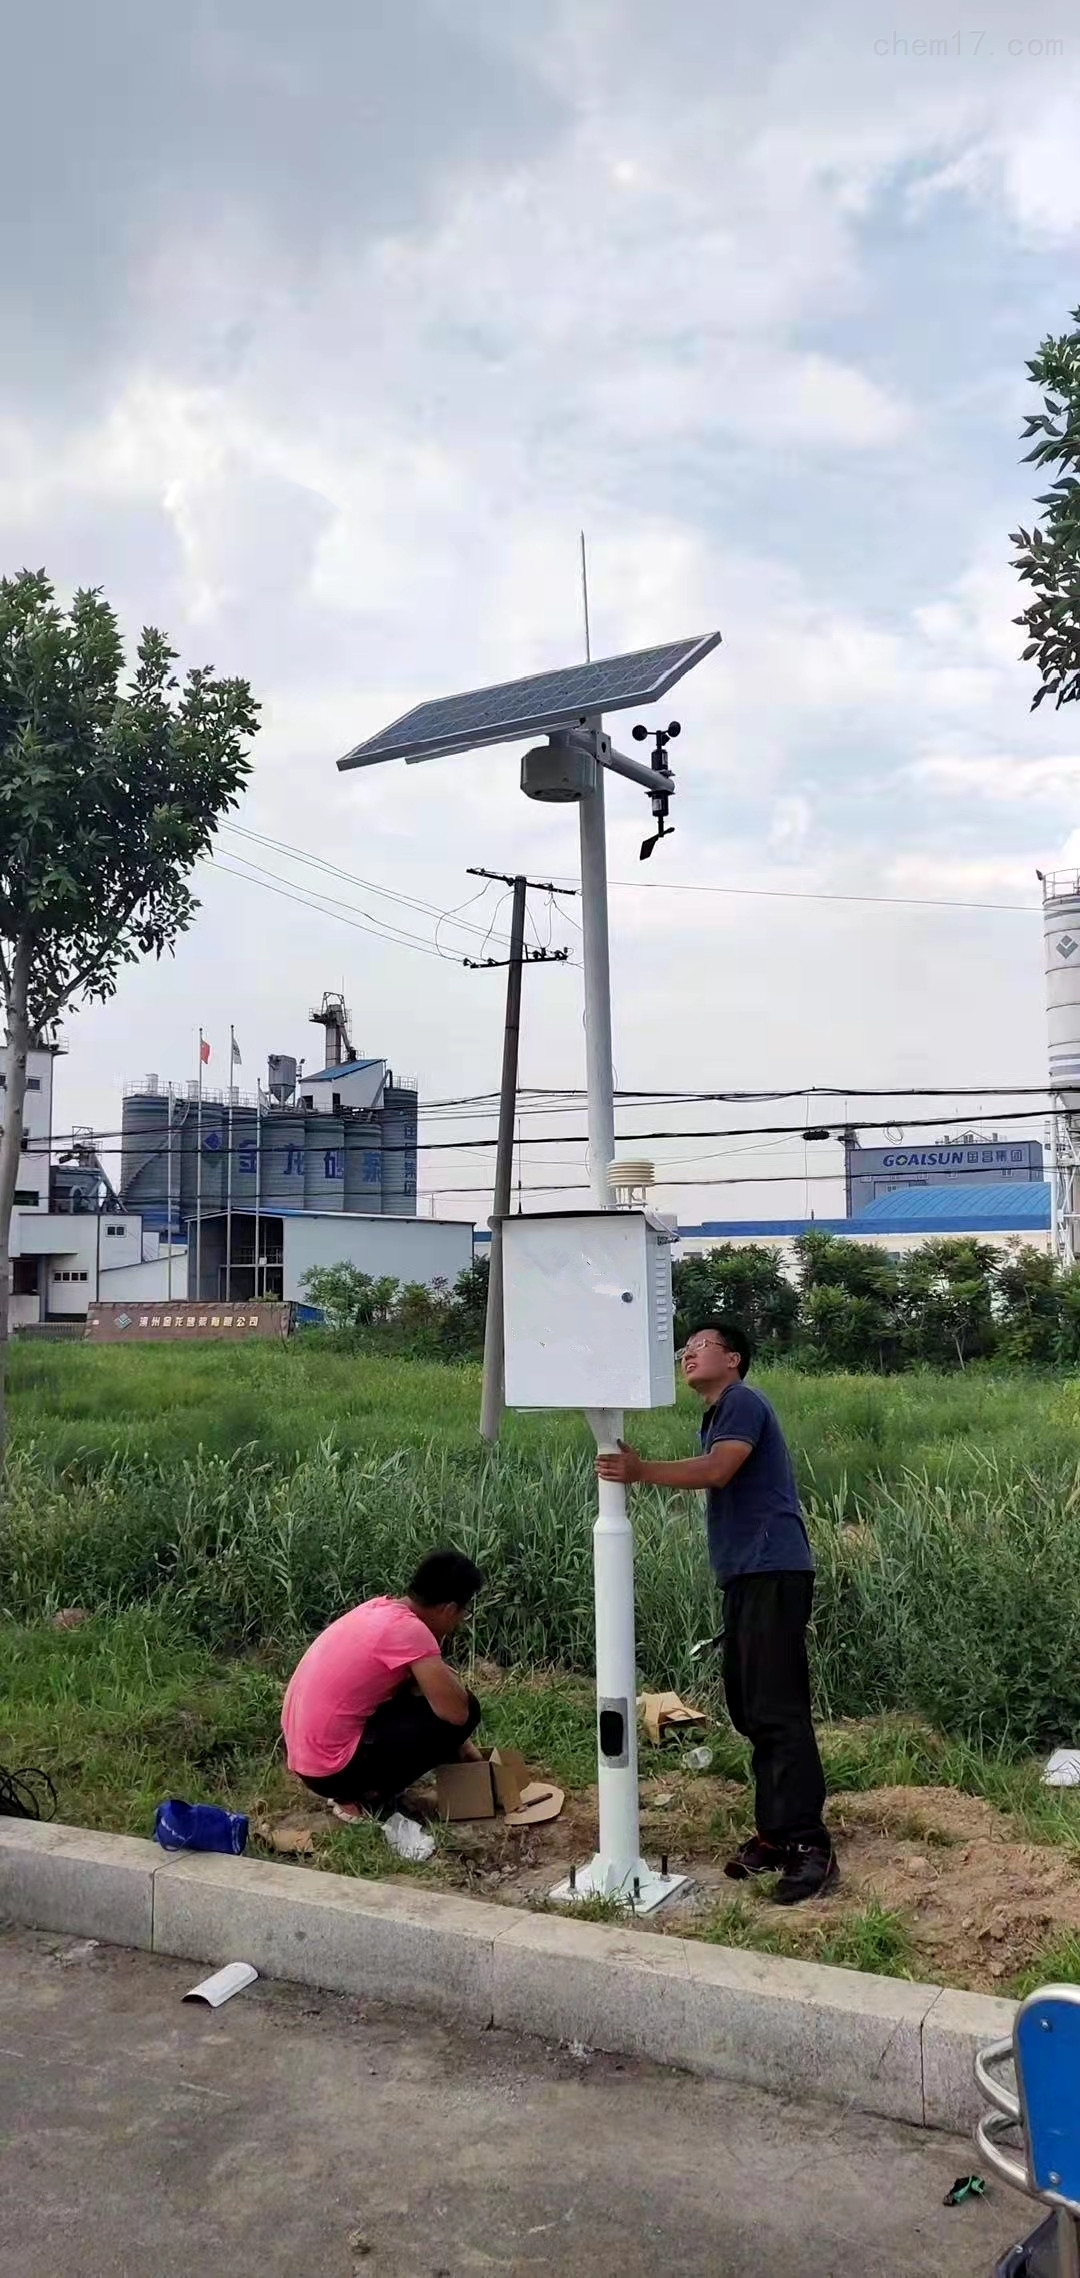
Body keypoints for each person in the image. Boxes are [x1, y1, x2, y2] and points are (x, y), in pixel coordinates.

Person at [596, 1319, 835, 1905]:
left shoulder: (741, 1401)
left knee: (776, 1709)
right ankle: (776, 1833)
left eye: (700, 1346)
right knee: (751, 1708)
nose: (688, 1355)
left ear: (733, 1359)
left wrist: (642, 1471)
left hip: (772, 1570)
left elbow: (718, 1470)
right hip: (749, 1576)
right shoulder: (719, 1411)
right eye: (685, 1348)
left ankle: (810, 1846)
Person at [281, 1549, 484, 1832]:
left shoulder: (379, 1609)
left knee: (422, 1696)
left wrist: (462, 1747)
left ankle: (352, 1789)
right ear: (449, 1608)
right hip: (333, 1770)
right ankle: (360, 1798)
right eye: (463, 1612)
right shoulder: (411, 1632)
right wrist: (460, 1739)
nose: (459, 1623)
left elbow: (413, 1687)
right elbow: (457, 1713)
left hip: (309, 1760)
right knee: (469, 1708)